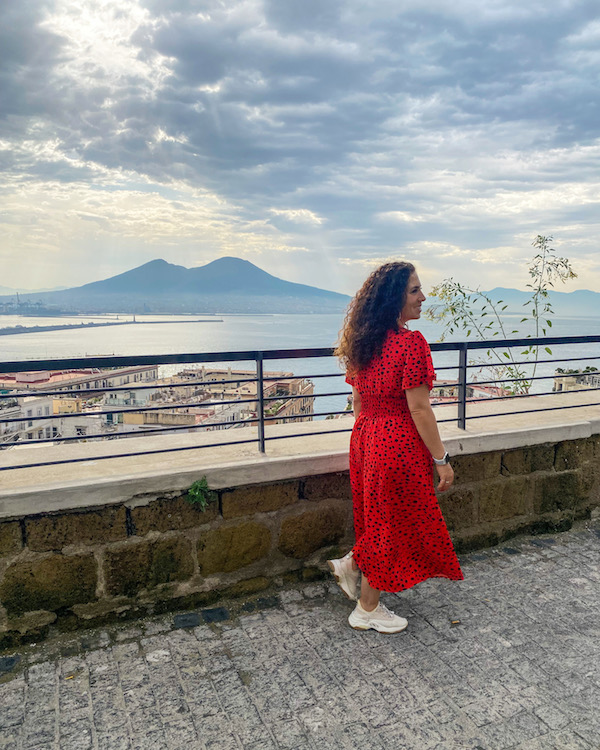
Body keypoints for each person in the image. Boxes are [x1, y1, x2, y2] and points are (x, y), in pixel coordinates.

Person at [329, 261, 463, 633]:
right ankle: (367, 608)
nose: (423, 297)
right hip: (398, 442)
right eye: (414, 291)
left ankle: (353, 564)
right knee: (393, 524)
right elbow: (419, 408)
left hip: (366, 437)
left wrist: (369, 437)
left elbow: (358, 401)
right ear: (394, 299)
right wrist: (441, 459)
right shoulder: (411, 343)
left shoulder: (362, 342)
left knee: (378, 517)